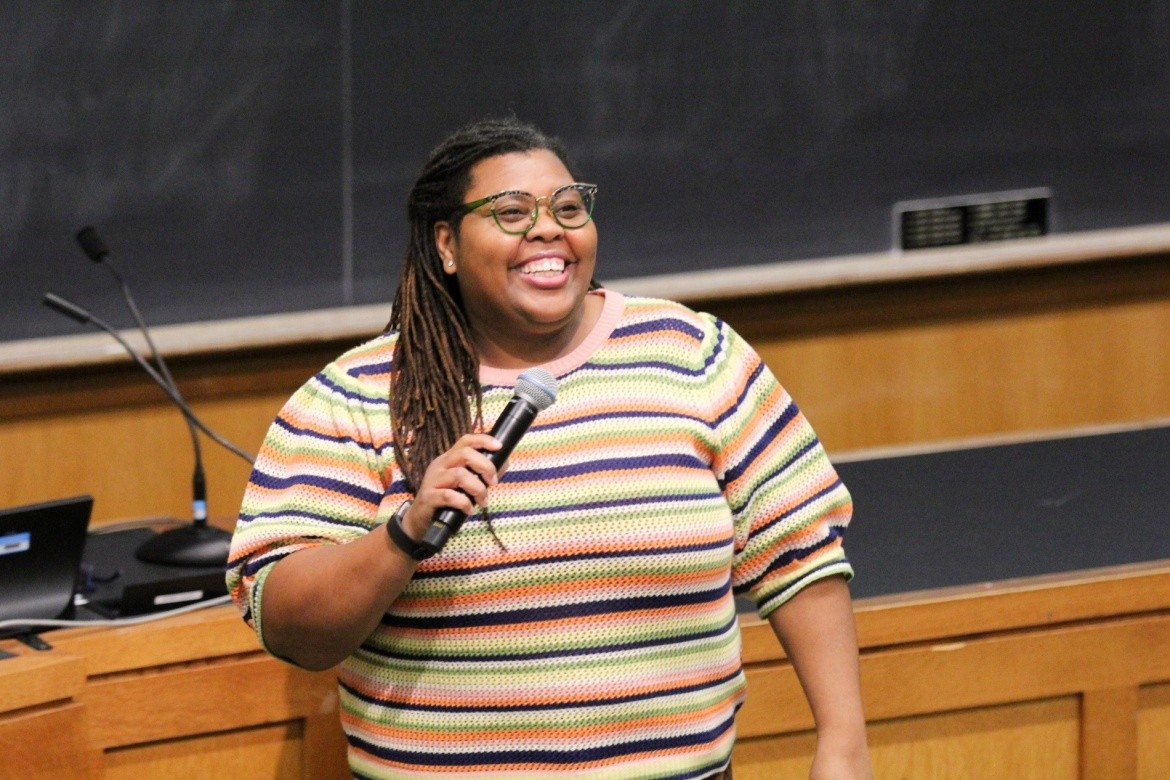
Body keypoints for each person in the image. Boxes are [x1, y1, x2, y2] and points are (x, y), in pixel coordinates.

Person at [227, 117, 871, 779]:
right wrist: (404, 534)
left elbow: (801, 555)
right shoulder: (356, 397)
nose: (547, 229)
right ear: (445, 244)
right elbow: (284, 620)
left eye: (568, 208)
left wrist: (843, 744)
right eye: (511, 212)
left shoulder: (691, 355)